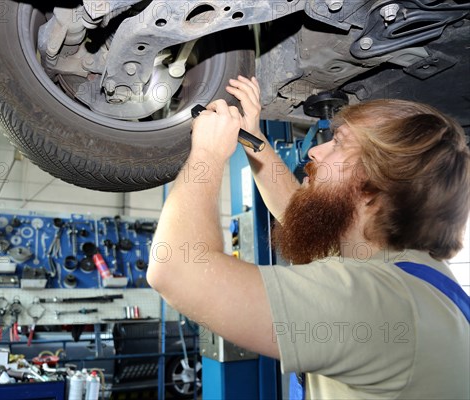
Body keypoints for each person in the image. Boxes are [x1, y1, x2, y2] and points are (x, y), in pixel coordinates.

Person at [146, 76, 470, 398]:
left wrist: (207, 155)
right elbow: (295, 211)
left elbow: (177, 269)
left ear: (376, 183)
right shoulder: (401, 273)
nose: (315, 150)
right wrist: (253, 137)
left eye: (339, 143)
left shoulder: (379, 303)